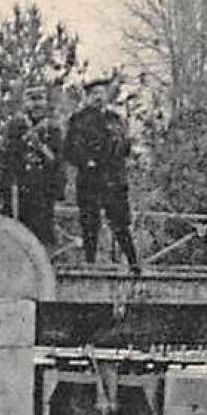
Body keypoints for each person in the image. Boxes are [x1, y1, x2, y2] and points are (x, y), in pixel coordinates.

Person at [64, 75, 139, 270]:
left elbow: (125, 147)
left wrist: (123, 148)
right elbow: (70, 150)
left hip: (114, 180)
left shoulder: (116, 119)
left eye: (101, 93)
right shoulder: (79, 120)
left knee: (121, 224)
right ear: (87, 97)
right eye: (94, 94)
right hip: (91, 181)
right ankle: (90, 264)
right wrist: (86, 161)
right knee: (90, 225)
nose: (98, 97)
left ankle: (134, 263)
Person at [0, 85, 65, 246]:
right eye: (32, 100)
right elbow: (6, 157)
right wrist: (5, 184)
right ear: (24, 103)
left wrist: (41, 147)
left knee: (43, 231)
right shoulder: (15, 126)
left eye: (40, 99)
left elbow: (58, 160)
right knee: (17, 231)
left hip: (43, 188)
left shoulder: (53, 128)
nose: (36, 105)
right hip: (20, 187)